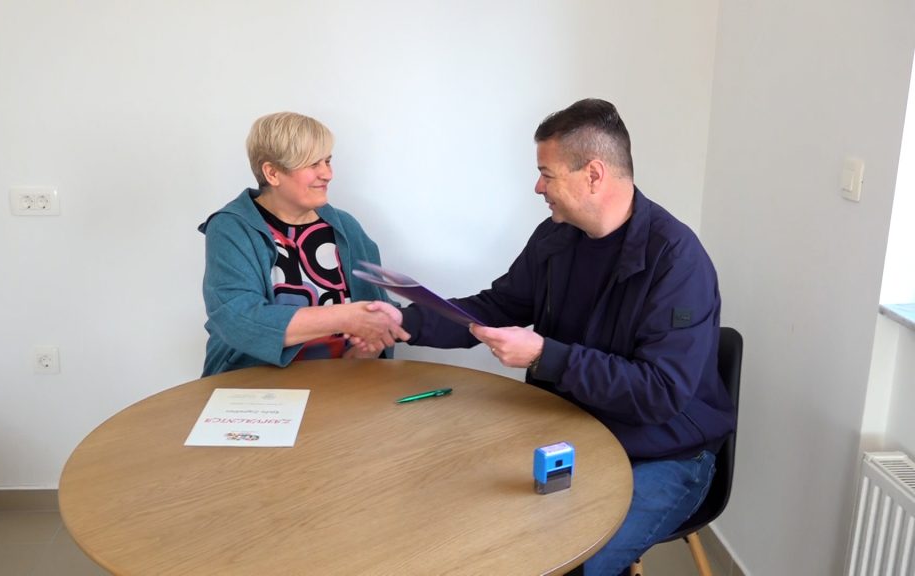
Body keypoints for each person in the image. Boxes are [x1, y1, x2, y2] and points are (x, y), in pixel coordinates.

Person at [365, 99, 736, 576]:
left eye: (547, 174)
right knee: (462, 508)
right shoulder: (556, 238)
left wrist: (545, 355)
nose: (537, 187)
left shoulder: (677, 261)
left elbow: (660, 393)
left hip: (664, 452)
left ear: (594, 175)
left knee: (574, 561)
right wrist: (404, 322)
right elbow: (496, 308)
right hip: (572, 430)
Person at [198, 112, 407, 377]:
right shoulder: (231, 228)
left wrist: (365, 350)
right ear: (272, 173)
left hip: (343, 381)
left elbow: (376, 311)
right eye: (312, 164)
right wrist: (346, 317)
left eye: (327, 161)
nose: (327, 174)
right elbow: (238, 319)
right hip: (254, 387)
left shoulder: (346, 226)